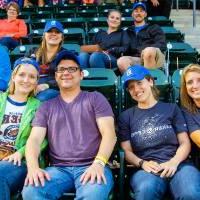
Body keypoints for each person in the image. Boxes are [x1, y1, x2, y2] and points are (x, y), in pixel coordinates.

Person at [22, 50, 116, 200]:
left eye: (72, 69)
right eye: (61, 69)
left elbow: (109, 135)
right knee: (31, 191)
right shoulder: (46, 106)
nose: (66, 72)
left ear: (81, 75)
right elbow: (34, 140)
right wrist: (33, 168)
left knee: (92, 195)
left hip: (93, 165)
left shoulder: (95, 99)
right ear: (56, 76)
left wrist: (99, 163)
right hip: (58, 170)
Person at [118, 65, 200, 200]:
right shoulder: (126, 117)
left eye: (139, 83)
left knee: (190, 192)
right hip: (146, 170)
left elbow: (185, 142)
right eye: (131, 87)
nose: (136, 89)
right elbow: (126, 151)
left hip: (179, 165)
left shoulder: (171, 109)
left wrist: (174, 162)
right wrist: (142, 163)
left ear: (150, 81)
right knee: (146, 190)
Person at [0, 57, 47, 200]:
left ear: (36, 82)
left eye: (32, 76)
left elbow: (42, 139)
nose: (26, 80)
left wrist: (21, 153)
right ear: (13, 76)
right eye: (22, 75)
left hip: (18, 161)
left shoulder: (39, 107)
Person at [117, 2, 166, 73]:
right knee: (121, 61)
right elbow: (123, 48)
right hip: (137, 59)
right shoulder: (128, 31)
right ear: (132, 14)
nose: (138, 13)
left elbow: (161, 43)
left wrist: (145, 50)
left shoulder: (154, 28)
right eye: (136, 11)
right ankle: (134, 81)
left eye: (141, 11)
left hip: (153, 57)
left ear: (145, 14)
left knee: (148, 51)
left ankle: (148, 81)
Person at [27, 20, 66, 101]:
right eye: (50, 31)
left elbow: (66, 77)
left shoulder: (66, 55)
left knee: (41, 98)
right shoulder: (32, 51)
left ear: (61, 37)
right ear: (44, 35)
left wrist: (46, 85)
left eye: (57, 32)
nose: (53, 34)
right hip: (31, 84)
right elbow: (21, 68)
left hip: (54, 88)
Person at [180, 64, 200, 148]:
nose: (195, 86)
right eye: (189, 82)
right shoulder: (186, 112)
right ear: (185, 87)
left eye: (199, 80)